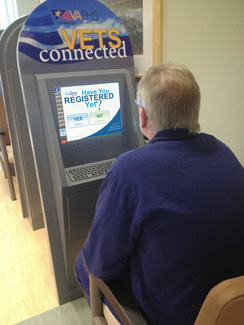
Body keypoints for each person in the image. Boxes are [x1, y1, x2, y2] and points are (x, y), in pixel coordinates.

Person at [75, 62, 244, 324]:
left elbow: (101, 263)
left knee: (84, 264)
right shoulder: (223, 150)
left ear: (142, 116)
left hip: (172, 316)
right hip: (231, 310)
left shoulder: (128, 170)